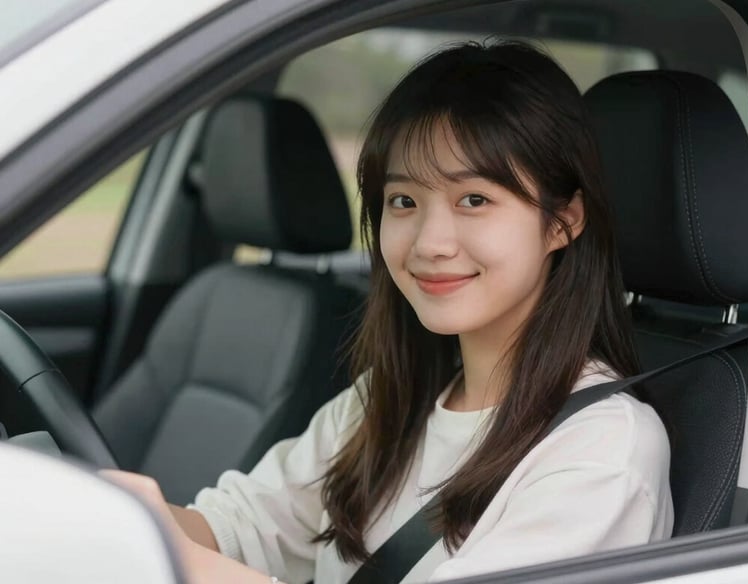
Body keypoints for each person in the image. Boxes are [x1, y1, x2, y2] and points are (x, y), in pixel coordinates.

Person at [105, 41, 673, 584]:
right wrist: (120, 518)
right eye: (404, 201)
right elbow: (243, 526)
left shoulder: (602, 452)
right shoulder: (385, 399)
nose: (430, 242)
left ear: (562, 221)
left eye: (474, 200)